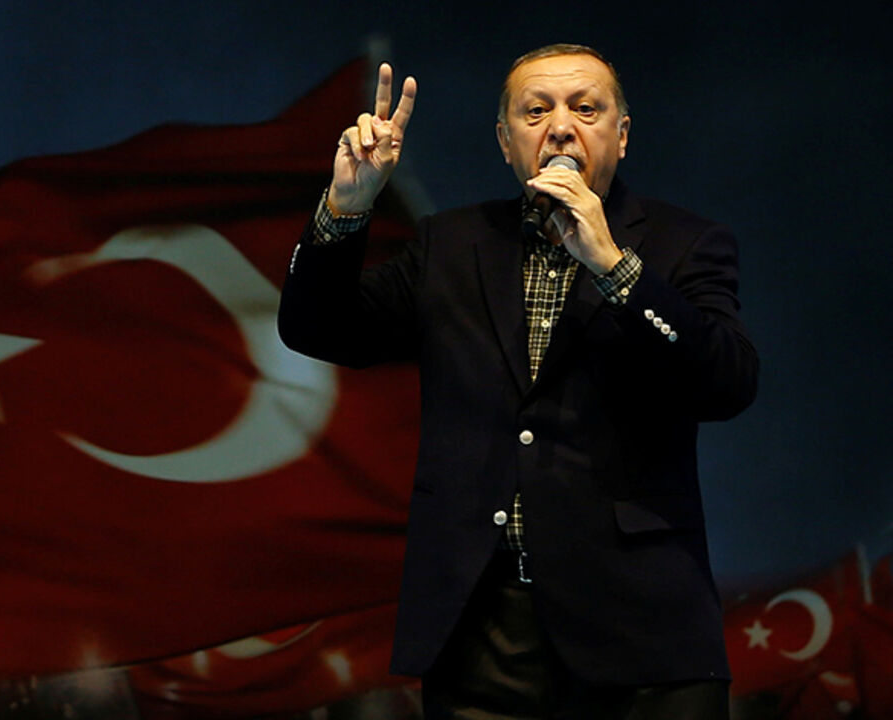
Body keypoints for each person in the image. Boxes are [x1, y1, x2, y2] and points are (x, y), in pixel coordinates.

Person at [277, 44, 758, 719]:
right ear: (506, 143)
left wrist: (614, 266)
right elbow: (317, 329)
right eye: (536, 111)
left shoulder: (685, 244)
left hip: (644, 633)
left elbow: (727, 383)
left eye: (585, 108)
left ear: (621, 134)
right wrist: (345, 208)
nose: (561, 126)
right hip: (482, 630)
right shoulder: (450, 245)